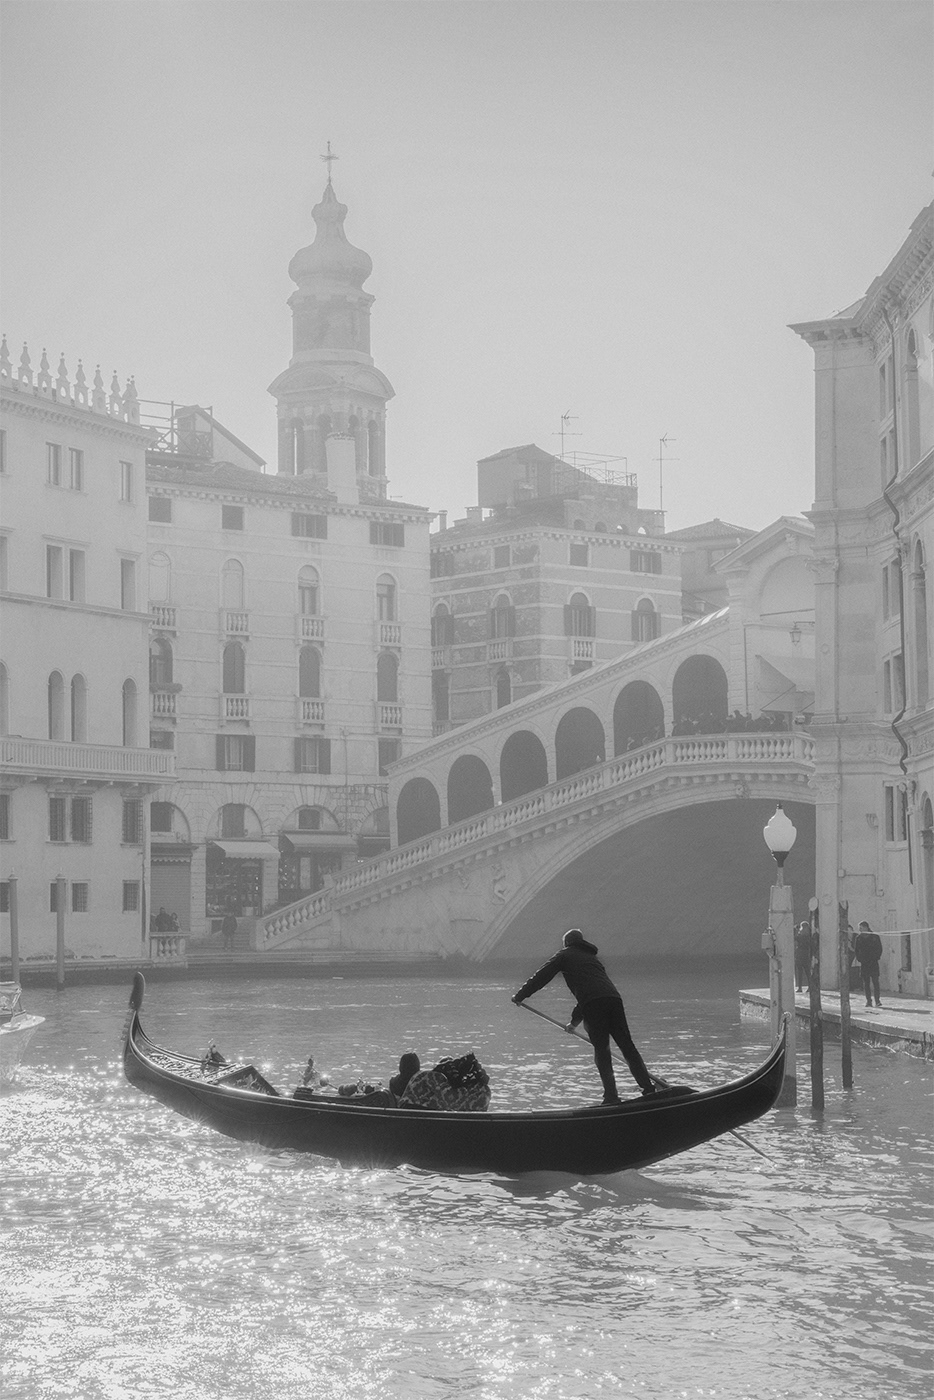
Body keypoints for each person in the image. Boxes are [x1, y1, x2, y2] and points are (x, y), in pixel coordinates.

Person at [512, 929, 656, 1104]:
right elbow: (591, 992)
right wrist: (574, 1023)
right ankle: (648, 1089)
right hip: (614, 1000)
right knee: (627, 1046)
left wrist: (520, 995)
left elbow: (542, 976)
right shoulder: (592, 959)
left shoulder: (564, 955)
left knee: (602, 1049)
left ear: (566, 943)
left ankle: (611, 1097)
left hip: (593, 1004)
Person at [853, 921, 883, 1008]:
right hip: (864, 963)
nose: (860, 930)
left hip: (873, 962)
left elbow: (879, 948)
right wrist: (860, 959)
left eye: (861, 928)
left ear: (866, 927)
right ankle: (868, 1001)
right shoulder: (859, 938)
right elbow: (856, 950)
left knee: (875, 982)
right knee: (866, 983)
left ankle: (877, 1000)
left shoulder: (875, 937)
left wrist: (876, 957)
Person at [794, 921, 811, 993]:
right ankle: (810, 986)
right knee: (807, 972)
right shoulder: (809, 935)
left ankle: (800, 987)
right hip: (806, 954)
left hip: (800, 954)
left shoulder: (800, 935)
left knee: (800, 971)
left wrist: (795, 930)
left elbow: (795, 938)